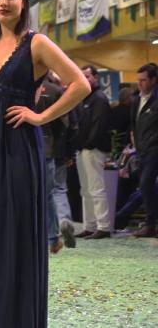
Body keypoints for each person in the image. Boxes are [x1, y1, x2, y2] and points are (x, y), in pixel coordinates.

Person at [0, 0, 89, 327]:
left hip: (17, 153)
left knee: (13, 236)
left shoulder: (37, 43)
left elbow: (80, 84)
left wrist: (40, 116)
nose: (3, 2)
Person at [36, 76, 78, 253]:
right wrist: (68, 152)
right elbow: (69, 125)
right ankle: (59, 227)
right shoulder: (56, 91)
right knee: (54, 191)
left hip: (25, 147)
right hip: (52, 149)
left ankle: (28, 236)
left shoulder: (21, 86)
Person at [74, 65, 113, 239]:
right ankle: (89, 225)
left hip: (93, 149)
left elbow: (98, 126)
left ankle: (103, 226)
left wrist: (87, 145)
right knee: (85, 190)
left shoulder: (99, 98)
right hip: (84, 149)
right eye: (83, 76)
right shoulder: (86, 98)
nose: (86, 79)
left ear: (96, 77)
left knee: (96, 188)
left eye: (88, 76)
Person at [131, 63, 158, 238]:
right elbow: (133, 124)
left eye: (144, 80)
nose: (140, 83)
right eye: (138, 80)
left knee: (146, 183)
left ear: (154, 80)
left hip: (154, 148)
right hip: (141, 150)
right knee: (145, 185)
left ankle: (151, 223)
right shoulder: (136, 99)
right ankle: (151, 224)